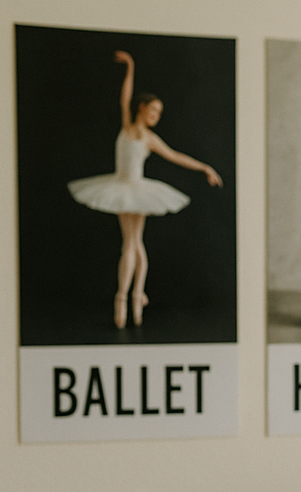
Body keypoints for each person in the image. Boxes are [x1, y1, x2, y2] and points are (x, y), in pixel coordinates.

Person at [67, 50, 223, 329]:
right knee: (134, 243)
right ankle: (135, 297)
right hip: (120, 186)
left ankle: (126, 298)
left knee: (132, 243)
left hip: (136, 189)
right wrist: (130, 67)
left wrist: (204, 168)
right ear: (142, 108)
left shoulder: (150, 139)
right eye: (152, 110)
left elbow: (176, 156)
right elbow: (125, 97)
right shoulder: (127, 126)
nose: (156, 115)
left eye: (159, 113)